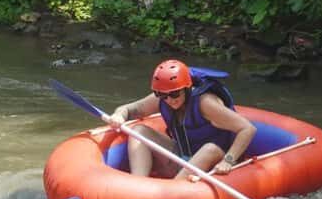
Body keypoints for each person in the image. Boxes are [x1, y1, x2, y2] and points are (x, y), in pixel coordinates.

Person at [102, 59, 256, 179]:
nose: (169, 99)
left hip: (214, 161)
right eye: (162, 94)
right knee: (139, 131)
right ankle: (139, 182)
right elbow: (129, 109)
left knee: (209, 149)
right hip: (184, 156)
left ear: (186, 88)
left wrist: (228, 160)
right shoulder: (162, 99)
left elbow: (248, 128)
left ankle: (173, 192)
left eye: (174, 94)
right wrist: (119, 115)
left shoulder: (205, 103)